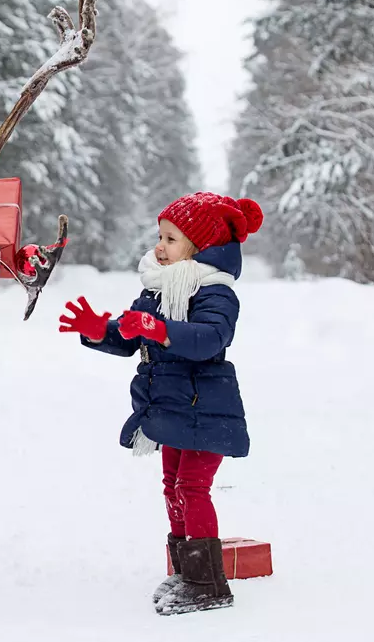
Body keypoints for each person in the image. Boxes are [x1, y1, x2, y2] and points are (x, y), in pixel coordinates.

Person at [59, 192, 263, 616]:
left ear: (199, 246)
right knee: (172, 486)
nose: (159, 246)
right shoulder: (156, 289)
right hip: (171, 406)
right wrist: (100, 330)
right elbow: (132, 334)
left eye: (171, 238)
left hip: (206, 407)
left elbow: (210, 338)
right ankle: (185, 569)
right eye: (160, 236)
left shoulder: (216, 293)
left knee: (192, 487)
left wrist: (160, 328)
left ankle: (208, 584)